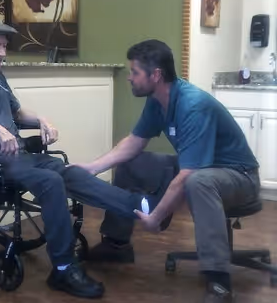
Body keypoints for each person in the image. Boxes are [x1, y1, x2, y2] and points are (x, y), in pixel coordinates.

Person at [0, 19, 171, 299]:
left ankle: (142, 205)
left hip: (17, 157)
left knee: (68, 170)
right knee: (49, 181)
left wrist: (42, 120)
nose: (2, 53)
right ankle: (62, 267)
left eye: (4, 47)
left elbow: (17, 113)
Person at [77, 39, 260, 303]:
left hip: (240, 178)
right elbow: (134, 143)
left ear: (156, 75)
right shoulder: (157, 100)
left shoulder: (193, 105)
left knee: (198, 181)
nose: (129, 78)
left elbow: (187, 176)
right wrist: (92, 167)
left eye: (135, 73)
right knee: (131, 163)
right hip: (204, 168)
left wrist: (156, 217)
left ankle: (219, 282)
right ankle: (116, 244)